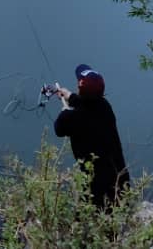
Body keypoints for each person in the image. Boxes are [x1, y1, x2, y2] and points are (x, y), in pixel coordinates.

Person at [52, 63, 131, 209]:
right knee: (118, 214)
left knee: (98, 219)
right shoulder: (105, 106)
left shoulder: (71, 118)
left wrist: (65, 112)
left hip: (97, 188)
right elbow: (88, 105)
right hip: (121, 181)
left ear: (80, 88)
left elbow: (59, 129)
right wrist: (69, 96)